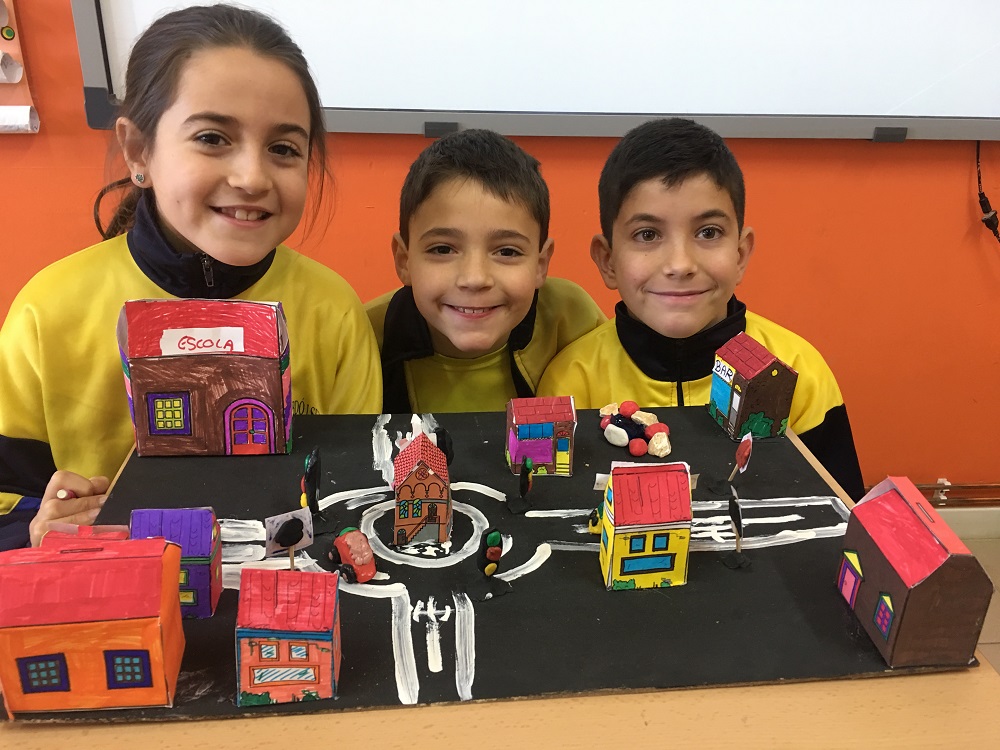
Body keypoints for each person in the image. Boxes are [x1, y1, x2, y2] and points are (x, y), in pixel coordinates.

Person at [0, 5, 381, 549]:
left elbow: (356, 492)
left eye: (283, 149)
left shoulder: (332, 310)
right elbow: (8, 501)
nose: (252, 177)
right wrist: (35, 532)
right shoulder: (48, 311)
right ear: (139, 150)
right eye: (212, 138)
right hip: (111, 587)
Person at [538, 118, 864, 499]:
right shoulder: (570, 383)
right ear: (608, 261)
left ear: (740, 254)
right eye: (647, 234)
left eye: (708, 232)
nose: (680, 265)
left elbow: (843, 516)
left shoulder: (799, 372)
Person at [366, 129, 606, 413]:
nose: (475, 278)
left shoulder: (572, 321)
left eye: (507, 252)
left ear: (540, 264)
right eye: (442, 249)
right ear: (404, 260)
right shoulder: (365, 339)